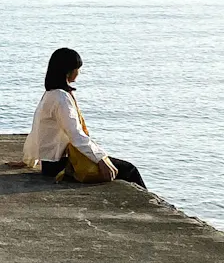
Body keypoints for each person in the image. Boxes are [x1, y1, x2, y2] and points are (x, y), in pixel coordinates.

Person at [23, 48, 146, 188]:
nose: (79, 72)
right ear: (68, 71)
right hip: (59, 165)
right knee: (129, 170)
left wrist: (29, 159)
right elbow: (76, 135)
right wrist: (100, 158)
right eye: (77, 68)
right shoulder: (61, 98)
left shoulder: (49, 95)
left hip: (48, 164)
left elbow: (36, 130)